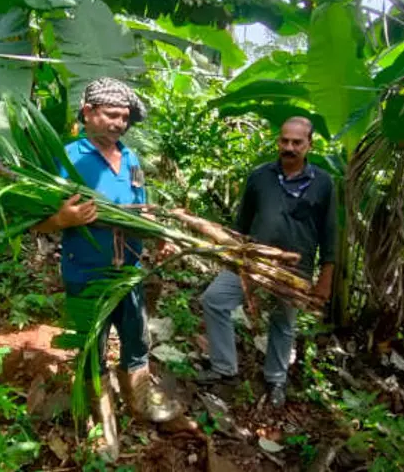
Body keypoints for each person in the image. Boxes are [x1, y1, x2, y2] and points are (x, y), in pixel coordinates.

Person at [32, 77, 181, 461]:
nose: (119, 124)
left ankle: (141, 401)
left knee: (136, 340)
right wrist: (62, 219)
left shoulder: (130, 158)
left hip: (129, 272)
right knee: (92, 349)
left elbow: (140, 205)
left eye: (124, 118)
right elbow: (35, 221)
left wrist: (157, 230)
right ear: (88, 113)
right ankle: (100, 420)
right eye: (111, 115)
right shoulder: (68, 158)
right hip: (87, 273)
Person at [197, 116, 337, 408]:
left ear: (309, 144)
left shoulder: (323, 183)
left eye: (297, 142)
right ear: (278, 141)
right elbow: (242, 223)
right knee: (214, 300)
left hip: (293, 270)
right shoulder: (260, 176)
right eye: (284, 140)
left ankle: (275, 379)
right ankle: (224, 367)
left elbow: (330, 233)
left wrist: (326, 277)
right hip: (252, 260)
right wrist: (234, 256)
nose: (289, 147)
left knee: (283, 323)